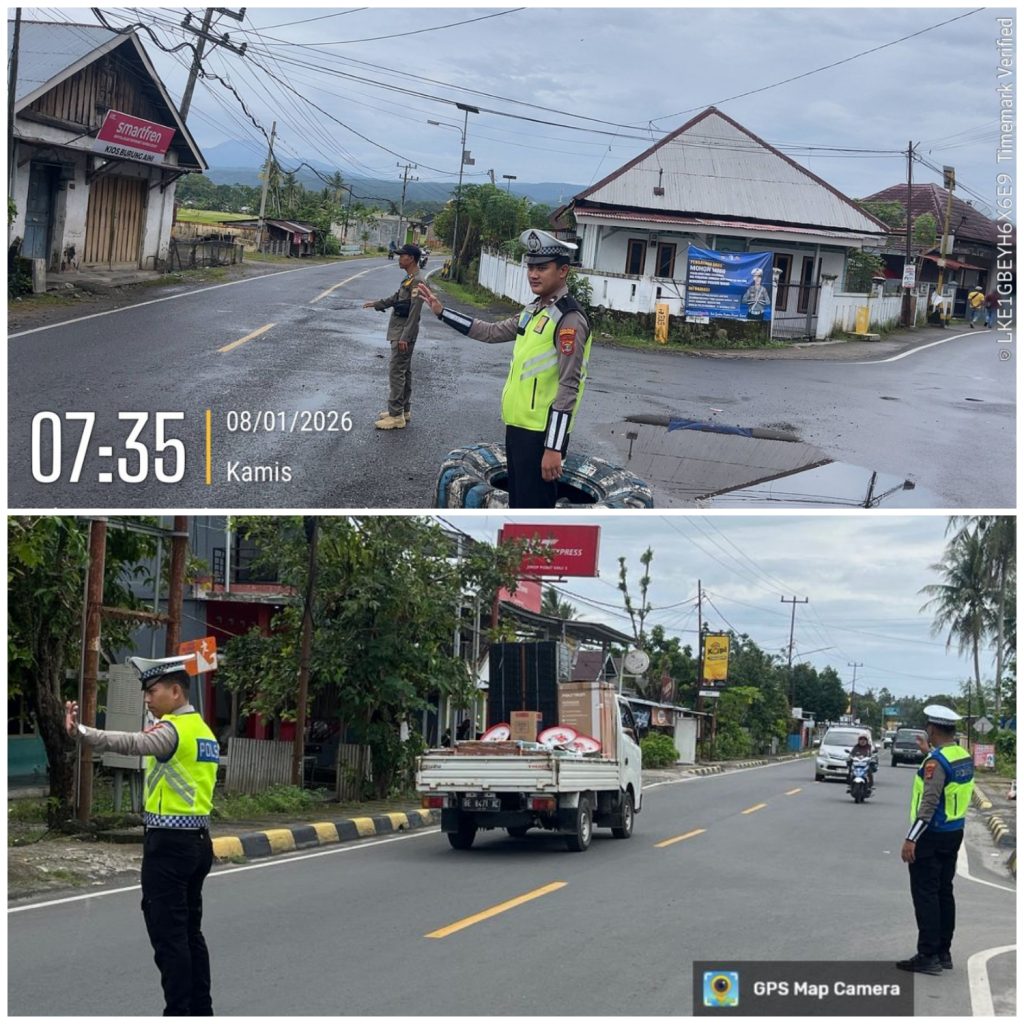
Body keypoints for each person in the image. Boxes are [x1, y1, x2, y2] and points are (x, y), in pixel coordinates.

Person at [65, 655, 218, 1015]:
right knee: (190, 934)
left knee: (169, 938)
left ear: (176, 691)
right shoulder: (204, 731)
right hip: (198, 843)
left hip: (169, 846)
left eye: (152, 691)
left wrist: (82, 733)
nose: (147, 699)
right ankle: (201, 1010)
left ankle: (178, 1013)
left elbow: (133, 743)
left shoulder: (172, 732)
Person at [416, 228, 592, 508]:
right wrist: (442, 312)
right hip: (518, 428)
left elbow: (569, 385)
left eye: (542, 268)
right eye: (531, 267)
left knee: (534, 512)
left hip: (541, 435)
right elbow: (490, 332)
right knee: (519, 506)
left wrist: (554, 447)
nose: (533, 274)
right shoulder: (534, 310)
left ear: (563, 271)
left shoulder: (568, 319)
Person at [896, 704, 974, 976]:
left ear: (933, 729)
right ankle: (943, 951)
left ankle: (927, 955)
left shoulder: (935, 763)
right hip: (954, 833)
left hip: (931, 835)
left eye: (928, 727)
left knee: (925, 894)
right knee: (943, 891)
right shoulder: (961, 755)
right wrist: (929, 754)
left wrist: (910, 839)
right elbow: (948, 777)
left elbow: (928, 804)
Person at [363, 243, 425, 430]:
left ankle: (396, 415)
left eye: (402, 256)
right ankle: (403, 410)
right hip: (400, 330)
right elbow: (396, 298)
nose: (399, 258)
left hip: (403, 332)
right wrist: (377, 304)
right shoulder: (409, 278)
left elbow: (415, 311)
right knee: (404, 371)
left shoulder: (418, 281)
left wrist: (405, 337)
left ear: (411, 258)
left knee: (396, 371)